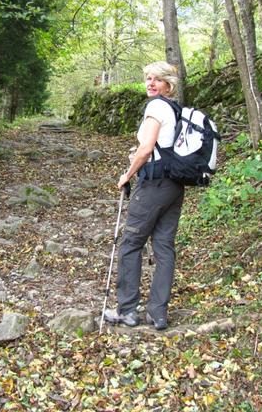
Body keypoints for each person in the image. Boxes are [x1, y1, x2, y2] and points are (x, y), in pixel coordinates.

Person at [110, 61, 185, 330]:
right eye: (148, 78)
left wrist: (127, 175)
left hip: (153, 184)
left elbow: (147, 149)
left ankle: (127, 310)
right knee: (164, 246)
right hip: (174, 185)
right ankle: (158, 313)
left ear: (168, 84)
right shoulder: (175, 109)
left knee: (131, 243)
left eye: (157, 79)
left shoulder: (156, 107)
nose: (151, 83)